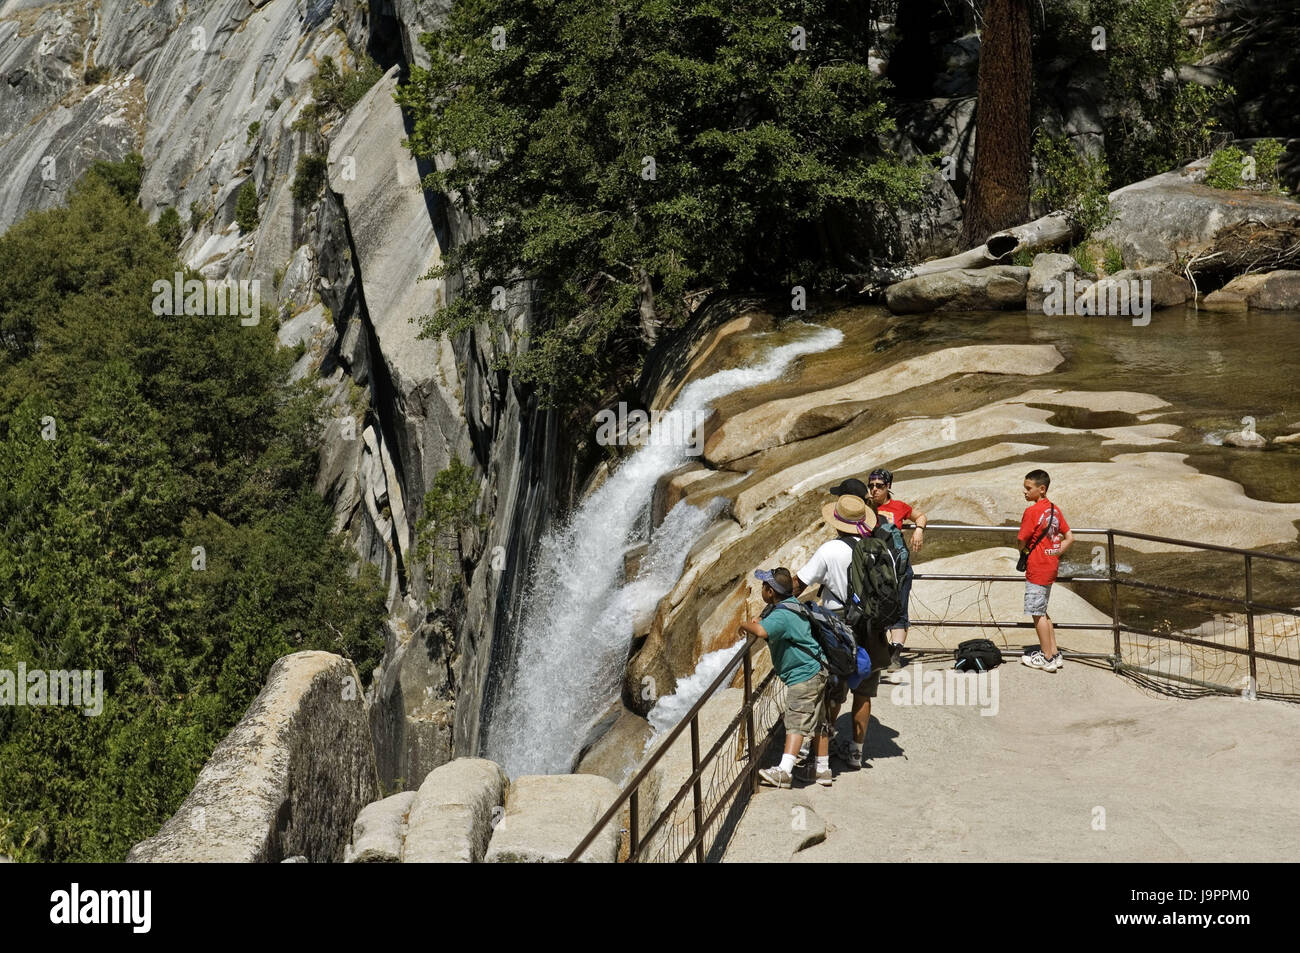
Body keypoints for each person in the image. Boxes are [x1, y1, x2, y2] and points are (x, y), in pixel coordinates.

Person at [792, 494, 889, 771]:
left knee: (832, 689)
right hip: (872, 624)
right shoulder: (879, 548)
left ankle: (822, 752)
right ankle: (857, 752)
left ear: (837, 522)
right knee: (865, 691)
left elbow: (800, 582)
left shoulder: (830, 550)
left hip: (837, 622)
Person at [741, 567, 832, 788]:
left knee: (796, 720)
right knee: (819, 720)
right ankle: (822, 769)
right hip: (818, 669)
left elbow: (761, 632)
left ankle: (784, 771)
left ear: (771, 592)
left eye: (764, 586)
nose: (761, 589)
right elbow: (767, 621)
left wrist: (743, 624)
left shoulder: (781, 614)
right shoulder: (790, 604)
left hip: (804, 675)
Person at [856, 471, 927, 680]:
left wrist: (918, 530)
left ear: (888, 486)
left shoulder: (899, 507)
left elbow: (920, 516)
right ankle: (880, 651)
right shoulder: (865, 507)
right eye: (871, 485)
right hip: (875, 569)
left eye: (879, 485)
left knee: (900, 607)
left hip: (898, 568)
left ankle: (895, 653)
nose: (875, 489)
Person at [1018, 469, 1073, 672]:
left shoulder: (1031, 512)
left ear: (1041, 489)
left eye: (1028, 488)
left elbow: (1021, 539)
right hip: (1050, 566)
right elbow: (1070, 537)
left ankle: (1046, 657)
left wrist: (1023, 550)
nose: (1024, 492)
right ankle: (1055, 653)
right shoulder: (1054, 509)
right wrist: (1054, 553)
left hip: (1037, 567)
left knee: (1036, 612)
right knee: (1043, 611)